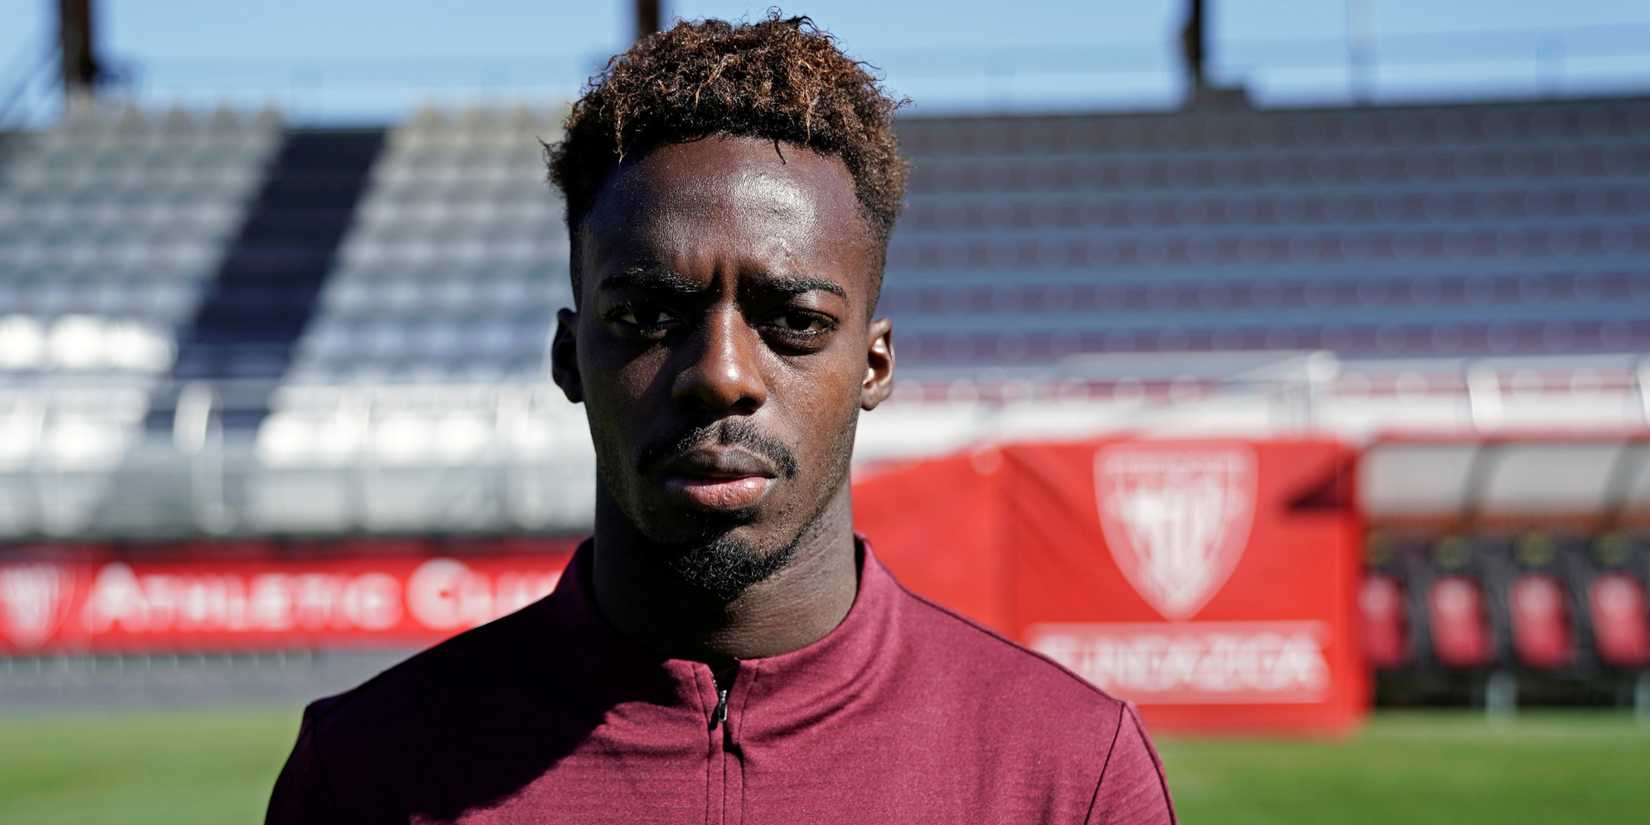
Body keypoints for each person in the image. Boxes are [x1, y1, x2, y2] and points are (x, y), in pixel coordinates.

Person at [266, 14, 1175, 824]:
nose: (722, 374)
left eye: (795, 322)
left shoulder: (1068, 774)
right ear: (568, 356)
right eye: (649, 315)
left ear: (874, 363)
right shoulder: (365, 773)